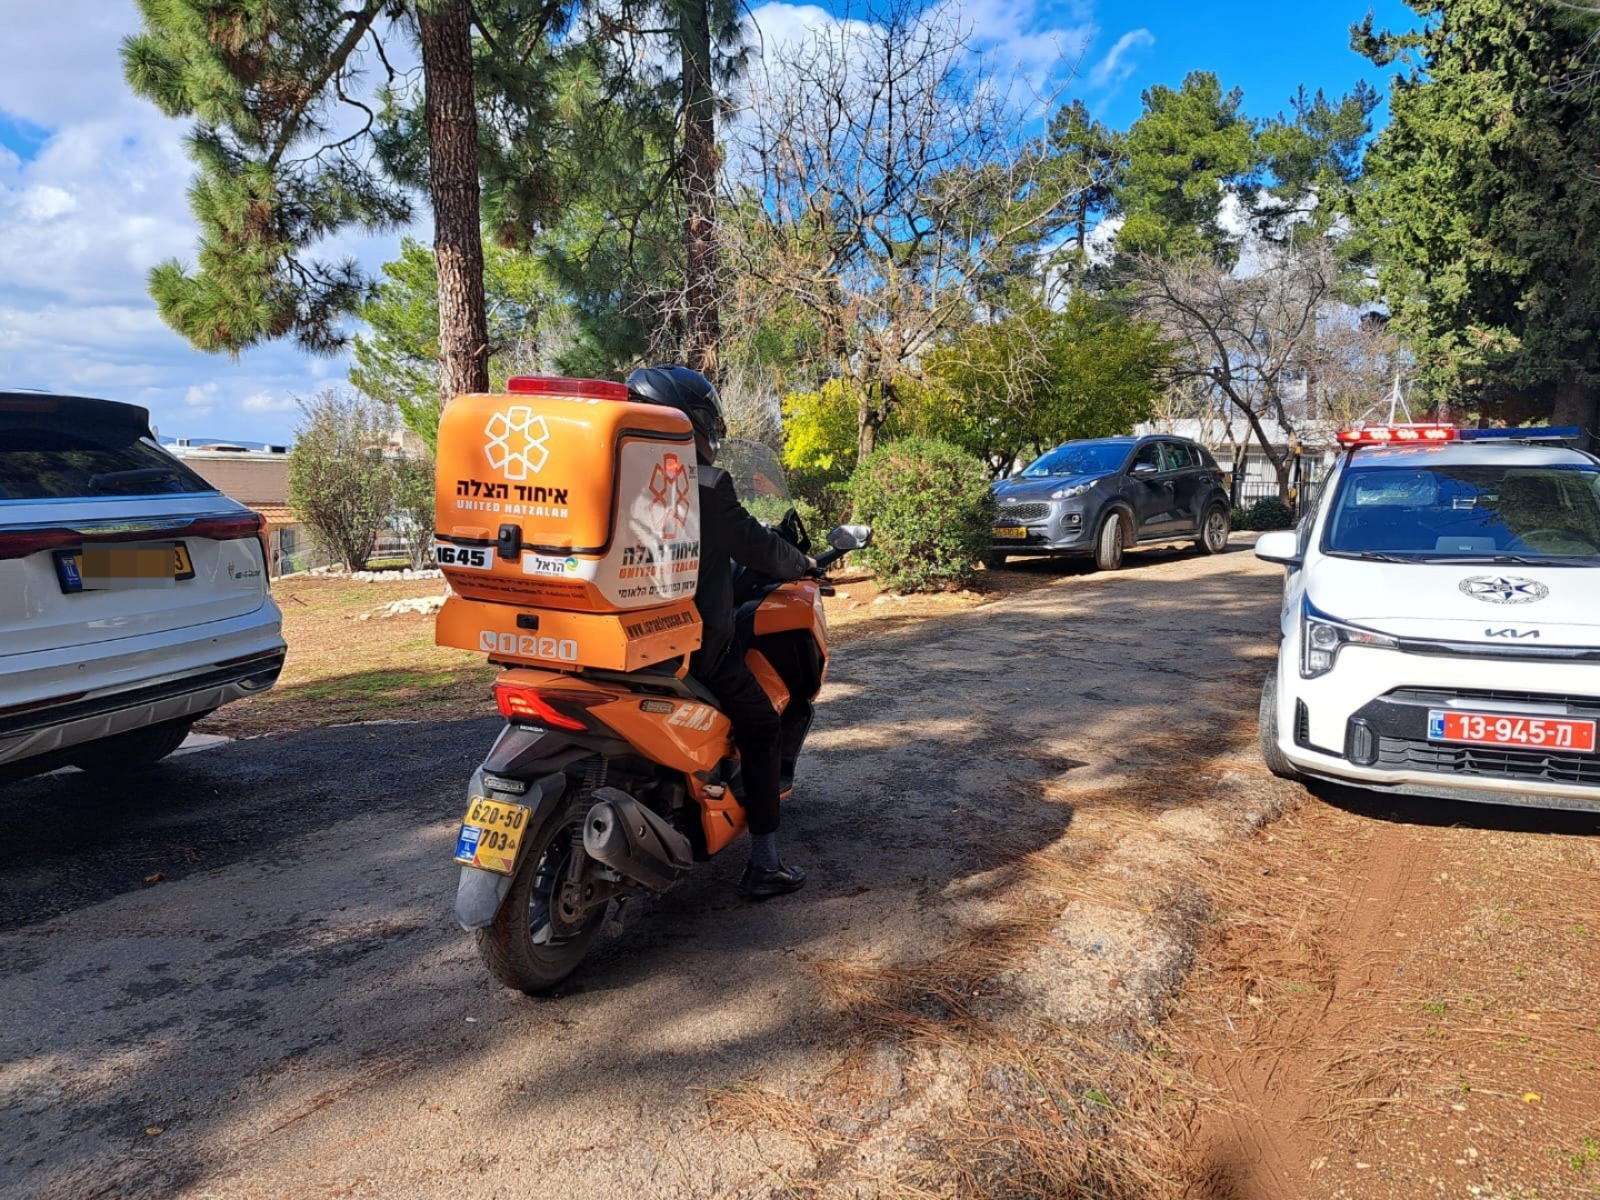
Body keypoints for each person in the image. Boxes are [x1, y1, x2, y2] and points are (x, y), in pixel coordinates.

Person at [626, 365, 813, 899]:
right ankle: (765, 864)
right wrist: (800, 562)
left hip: (605, 640)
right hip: (688, 644)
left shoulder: (611, 477)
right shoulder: (703, 484)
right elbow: (757, 546)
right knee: (761, 727)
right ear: (694, 424)